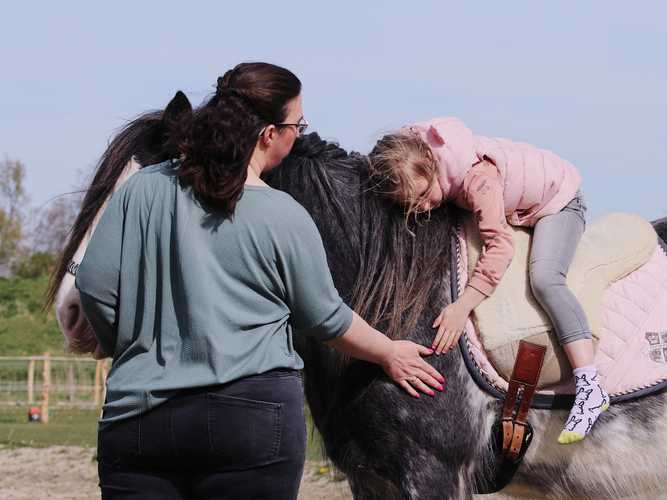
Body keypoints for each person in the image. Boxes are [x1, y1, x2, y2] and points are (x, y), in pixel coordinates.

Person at [75, 63, 445, 500]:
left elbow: (95, 285)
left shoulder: (142, 190)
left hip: (140, 418)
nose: (297, 133)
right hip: (250, 420)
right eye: (297, 124)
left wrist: (132, 346)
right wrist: (388, 351)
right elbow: (325, 318)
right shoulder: (283, 215)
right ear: (270, 134)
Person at [368, 116, 609, 444]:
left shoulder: (478, 180)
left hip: (558, 202)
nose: (424, 207)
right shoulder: (413, 157)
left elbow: (500, 246)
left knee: (545, 278)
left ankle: (589, 384)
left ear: (431, 164)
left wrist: (462, 306)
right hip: (513, 201)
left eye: (424, 194)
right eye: (413, 205)